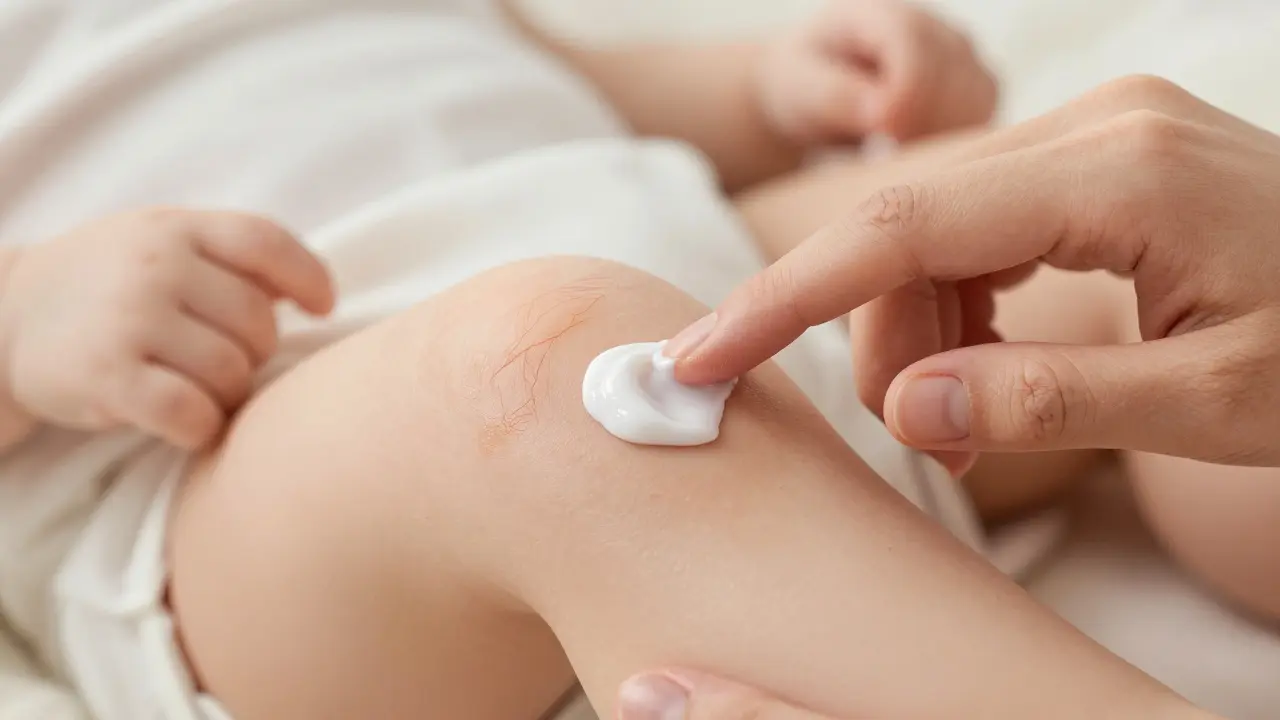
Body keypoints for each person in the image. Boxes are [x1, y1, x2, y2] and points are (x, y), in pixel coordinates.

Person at [0, 5, 1248, 720]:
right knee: (532, 377)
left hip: (679, 257)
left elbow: (532, 70)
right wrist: (18, 327)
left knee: (1087, 246)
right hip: (257, 486)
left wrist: (765, 89)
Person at [623, 69, 1280, 720]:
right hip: (575, 349)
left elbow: (588, 82)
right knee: (550, 366)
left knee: (1145, 253)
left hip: (698, 229)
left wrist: (762, 89)